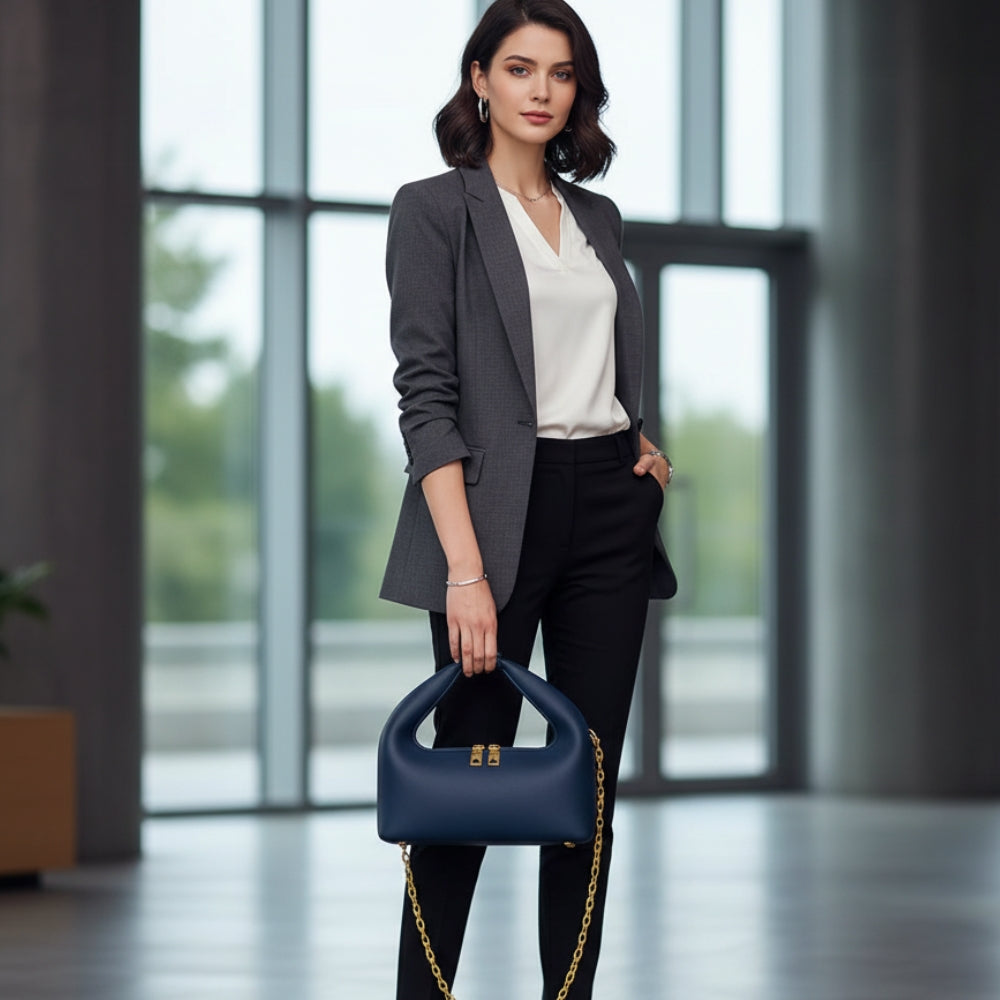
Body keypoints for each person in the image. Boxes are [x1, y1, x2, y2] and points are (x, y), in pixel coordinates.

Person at [380, 1, 677, 996]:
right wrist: (464, 571)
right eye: (518, 68)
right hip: (492, 518)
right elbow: (426, 398)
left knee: (584, 792)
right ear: (479, 79)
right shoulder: (434, 209)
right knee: (462, 783)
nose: (541, 90)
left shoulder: (597, 217)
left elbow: (593, 362)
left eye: (560, 72)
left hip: (609, 508)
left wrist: (637, 441)